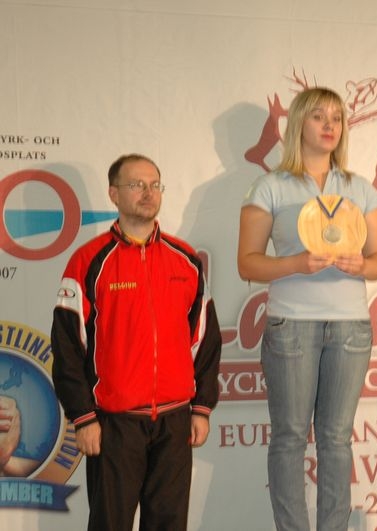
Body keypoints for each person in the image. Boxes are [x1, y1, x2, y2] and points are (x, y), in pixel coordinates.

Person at [237, 87, 377, 530]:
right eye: (319, 116)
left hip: (350, 328)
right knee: (288, 439)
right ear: (298, 123)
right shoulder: (270, 185)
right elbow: (247, 262)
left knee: (337, 440)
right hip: (292, 326)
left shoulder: (360, 188)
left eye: (337, 119)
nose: (329, 126)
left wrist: (363, 263)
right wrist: (297, 264)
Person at [51, 154, 222, 531]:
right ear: (114, 193)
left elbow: (205, 340)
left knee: (168, 524)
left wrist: (201, 407)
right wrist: (83, 417)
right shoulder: (87, 262)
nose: (148, 193)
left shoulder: (186, 260)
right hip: (114, 424)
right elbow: (67, 348)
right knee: (110, 523)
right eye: (137, 185)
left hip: (175, 422)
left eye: (154, 185)